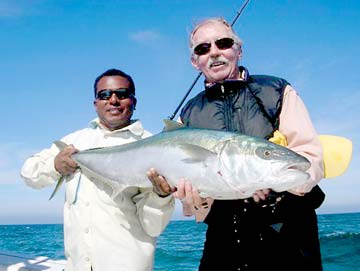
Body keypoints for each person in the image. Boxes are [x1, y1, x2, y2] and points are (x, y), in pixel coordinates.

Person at [148, 18, 325, 271]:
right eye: (203, 48)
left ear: (238, 50)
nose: (214, 52)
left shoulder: (275, 91)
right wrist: (179, 194)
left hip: (287, 232)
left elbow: (310, 160)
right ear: (194, 61)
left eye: (223, 43)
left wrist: (274, 188)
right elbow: (192, 195)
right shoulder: (187, 115)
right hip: (223, 236)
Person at [21, 68, 175, 271]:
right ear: (95, 104)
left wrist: (161, 196)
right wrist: (55, 166)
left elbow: (153, 226)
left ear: (133, 102)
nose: (113, 100)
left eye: (122, 94)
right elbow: (29, 174)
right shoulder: (74, 142)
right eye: (104, 95)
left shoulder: (154, 148)